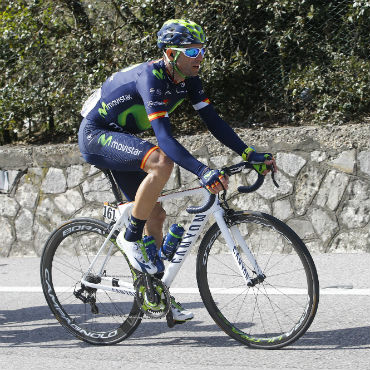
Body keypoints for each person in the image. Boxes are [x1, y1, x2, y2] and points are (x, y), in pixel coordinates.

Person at [78, 19, 276, 323]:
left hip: (123, 137)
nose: (200, 57)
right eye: (193, 51)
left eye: (202, 50)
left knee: (155, 216)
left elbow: (214, 121)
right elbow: (165, 140)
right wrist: (202, 171)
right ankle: (131, 237)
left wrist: (249, 153)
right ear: (171, 54)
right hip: (97, 134)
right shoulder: (152, 78)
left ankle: (155, 294)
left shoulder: (188, 79)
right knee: (161, 162)